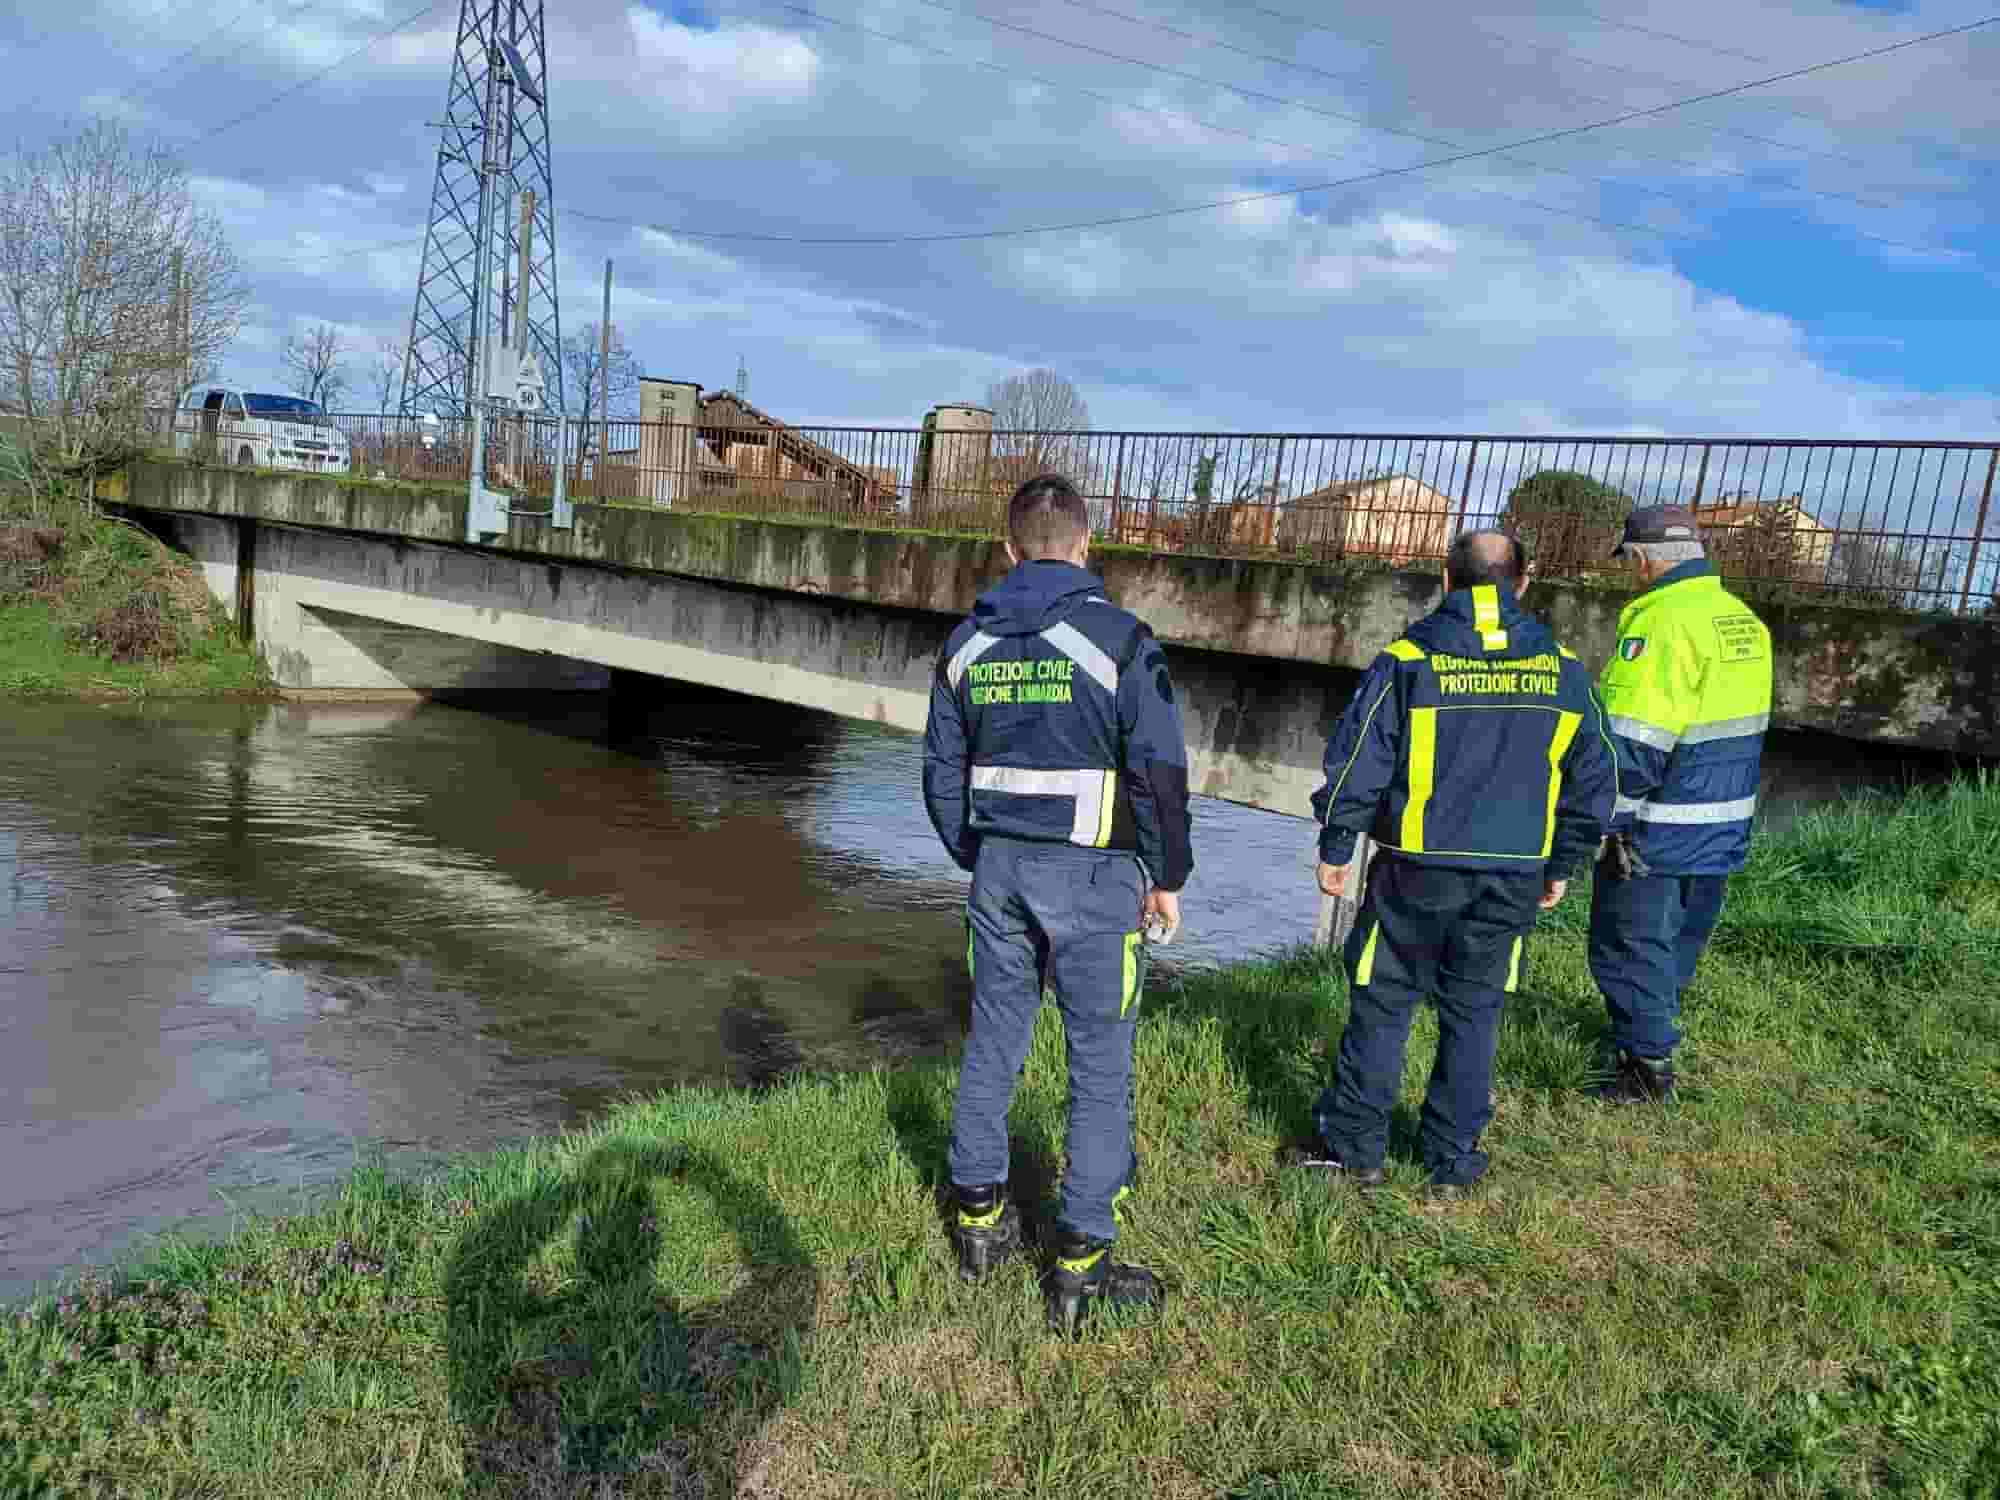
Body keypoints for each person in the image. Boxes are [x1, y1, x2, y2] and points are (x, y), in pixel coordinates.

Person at [921, 473, 1194, 1335]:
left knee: (994, 1043)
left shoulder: (966, 644)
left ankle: (977, 1219)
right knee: (1099, 1067)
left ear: (1009, 550)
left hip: (1000, 873)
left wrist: (980, 855)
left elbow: (940, 776)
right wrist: (1167, 875)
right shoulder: (1120, 640)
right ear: (1085, 545)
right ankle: (1080, 1264)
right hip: (1095, 879)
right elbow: (1159, 772)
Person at [1293, 530, 1617, 1195]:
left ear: (1446, 579)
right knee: (1474, 1012)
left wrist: (1337, 844)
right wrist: (1563, 862)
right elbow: (1596, 778)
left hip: (1416, 870)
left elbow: (1358, 761)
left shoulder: (1409, 660)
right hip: (1512, 874)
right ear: (1523, 582)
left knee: (1383, 1004)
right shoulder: (1564, 670)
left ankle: (1355, 1150)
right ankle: (1451, 1161)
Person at [1590, 505, 1773, 1103]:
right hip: (1722, 820)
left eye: (1630, 561)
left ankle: (1645, 1071)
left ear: (1642, 558)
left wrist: (1609, 822)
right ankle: (1654, 1029)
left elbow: (1635, 742)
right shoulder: (1742, 621)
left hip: (1658, 824)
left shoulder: (1662, 624)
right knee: (1677, 940)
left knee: (1628, 942)